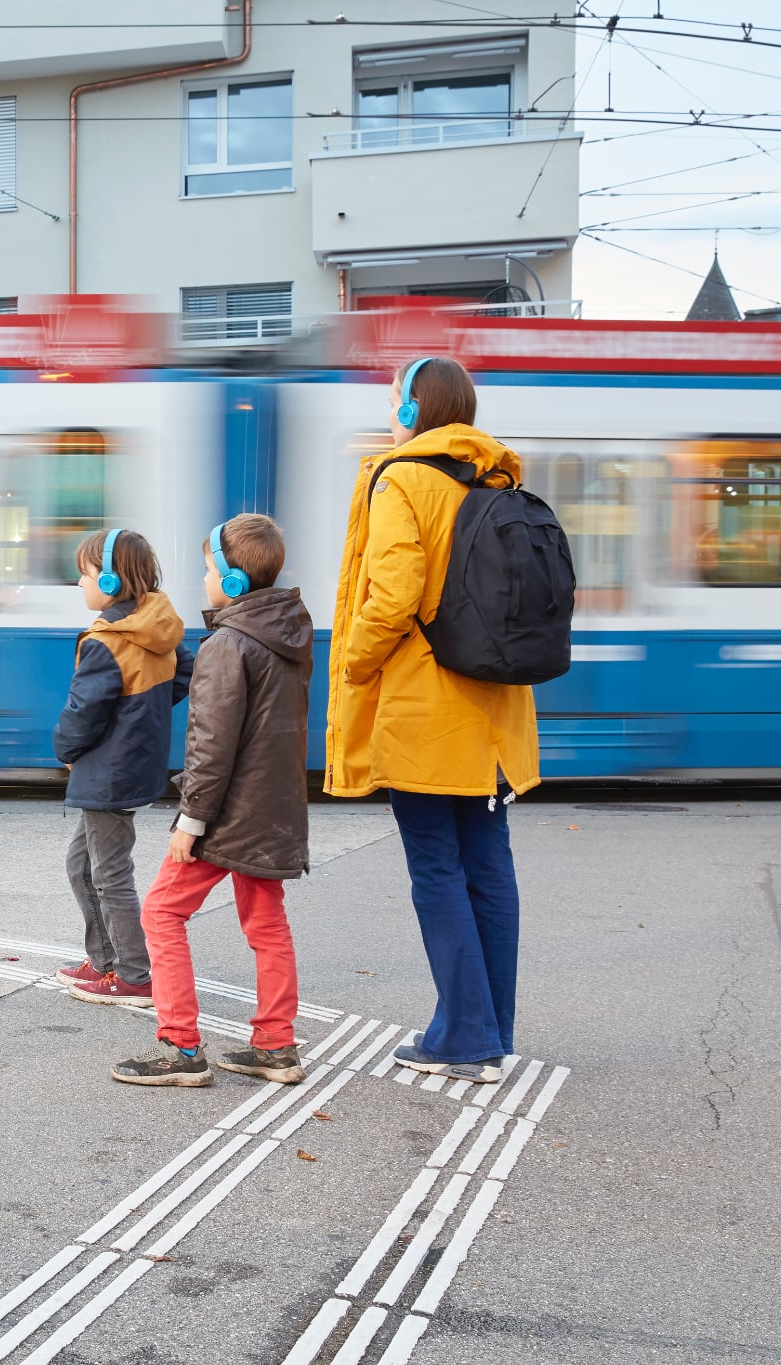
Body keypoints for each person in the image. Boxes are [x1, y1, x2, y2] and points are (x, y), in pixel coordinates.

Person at [324, 356, 539, 1085]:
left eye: (394, 400)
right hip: (494, 711)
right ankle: (489, 1031)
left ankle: (466, 1040)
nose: (390, 413)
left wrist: (354, 664)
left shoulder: (401, 479)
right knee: (488, 867)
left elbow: (392, 595)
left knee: (437, 870)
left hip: (425, 710)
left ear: (413, 410)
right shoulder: (495, 478)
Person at [113, 514, 313, 1087]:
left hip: (228, 813)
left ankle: (180, 1046)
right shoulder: (289, 633)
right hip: (274, 809)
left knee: (161, 912)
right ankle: (276, 1047)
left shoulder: (228, 644)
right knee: (267, 924)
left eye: (207, 570)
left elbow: (211, 741)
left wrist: (191, 818)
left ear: (232, 581)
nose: (203, 580)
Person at [52, 528, 189, 1008]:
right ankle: (104, 959)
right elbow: (184, 674)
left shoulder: (105, 641)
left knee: (108, 875)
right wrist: (142, 718)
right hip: (133, 764)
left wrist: (65, 749)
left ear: (110, 581)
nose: (80, 583)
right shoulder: (157, 626)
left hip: (107, 772)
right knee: (81, 865)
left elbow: (82, 713)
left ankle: (133, 975)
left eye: (85, 574)